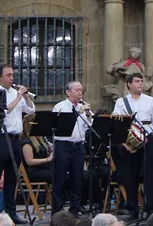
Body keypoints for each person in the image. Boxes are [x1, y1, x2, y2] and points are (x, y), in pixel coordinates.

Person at [0, 63, 34, 224]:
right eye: (8, 75)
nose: (11, 78)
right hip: (0, 137)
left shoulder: (15, 92)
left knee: (12, 177)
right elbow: (2, 112)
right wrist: (18, 97)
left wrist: (25, 96)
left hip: (15, 139)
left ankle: (10, 212)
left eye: (12, 74)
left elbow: (30, 111)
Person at [112, 72, 153, 218]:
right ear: (129, 84)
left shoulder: (150, 100)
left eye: (142, 81)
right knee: (130, 176)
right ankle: (132, 210)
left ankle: (151, 209)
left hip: (148, 139)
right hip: (130, 142)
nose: (140, 84)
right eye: (137, 81)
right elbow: (117, 122)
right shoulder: (121, 102)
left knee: (150, 175)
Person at [51, 81, 92, 216]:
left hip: (78, 146)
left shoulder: (82, 106)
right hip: (63, 145)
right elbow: (62, 125)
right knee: (60, 178)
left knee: (77, 178)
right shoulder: (60, 106)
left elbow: (89, 126)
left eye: (81, 90)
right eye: (77, 90)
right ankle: (57, 210)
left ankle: (75, 208)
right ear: (68, 93)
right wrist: (77, 112)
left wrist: (88, 114)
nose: (80, 93)